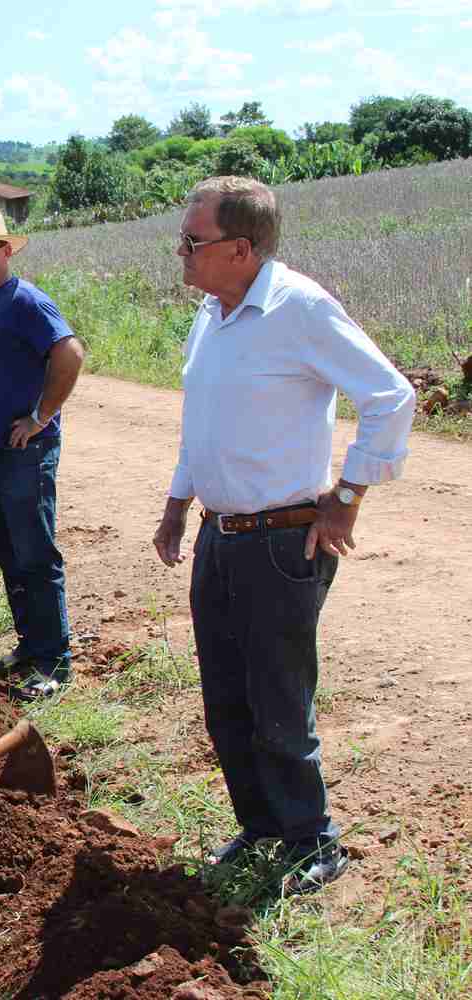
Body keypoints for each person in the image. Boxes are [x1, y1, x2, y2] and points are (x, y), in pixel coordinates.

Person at [152, 176, 414, 896]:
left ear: (241, 248)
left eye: (193, 241)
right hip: (220, 535)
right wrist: (178, 504)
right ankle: (263, 825)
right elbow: (204, 422)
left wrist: (349, 496)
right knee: (227, 698)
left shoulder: (298, 307)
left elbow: (391, 397)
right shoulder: (214, 311)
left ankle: (312, 839)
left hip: (279, 542)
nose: (182, 253)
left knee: (278, 698)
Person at [0, 209, 86, 701]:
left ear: (7, 251)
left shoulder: (25, 301)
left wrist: (41, 416)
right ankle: (32, 644)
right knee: (5, 550)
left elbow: (69, 353)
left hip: (24, 450)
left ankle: (53, 661)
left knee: (33, 551)